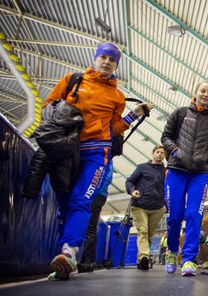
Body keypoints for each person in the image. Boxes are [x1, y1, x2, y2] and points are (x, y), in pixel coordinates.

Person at [47, 42, 154, 278]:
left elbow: (114, 128)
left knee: (81, 199)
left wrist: (133, 115)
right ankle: (61, 256)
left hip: (97, 153)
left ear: (116, 65)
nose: (107, 62)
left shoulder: (116, 96)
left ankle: (68, 253)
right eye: (103, 57)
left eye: (112, 60)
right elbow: (48, 107)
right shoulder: (71, 80)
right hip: (66, 150)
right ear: (95, 59)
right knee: (64, 202)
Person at [161, 80, 208, 276]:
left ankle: (188, 260)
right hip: (176, 170)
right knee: (175, 217)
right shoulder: (180, 113)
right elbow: (166, 137)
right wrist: (175, 151)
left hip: (199, 174)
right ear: (195, 92)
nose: (205, 94)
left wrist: (206, 158)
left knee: (194, 216)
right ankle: (172, 252)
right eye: (202, 91)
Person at [125, 145, 167, 270]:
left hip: (157, 207)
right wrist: (132, 191)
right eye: (158, 152)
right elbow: (129, 181)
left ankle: (141, 260)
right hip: (140, 205)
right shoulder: (142, 168)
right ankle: (145, 256)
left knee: (149, 234)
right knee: (143, 231)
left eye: (162, 153)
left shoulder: (165, 171)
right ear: (152, 154)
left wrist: (165, 204)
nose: (160, 154)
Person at [78, 162, 113, 273]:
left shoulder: (106, 159)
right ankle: (88, 260)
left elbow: (106, 178)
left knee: (90, 228)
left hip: (96, 194)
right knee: (88, 227)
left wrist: (91, 190)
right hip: (91, 193)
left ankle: (87, 261)